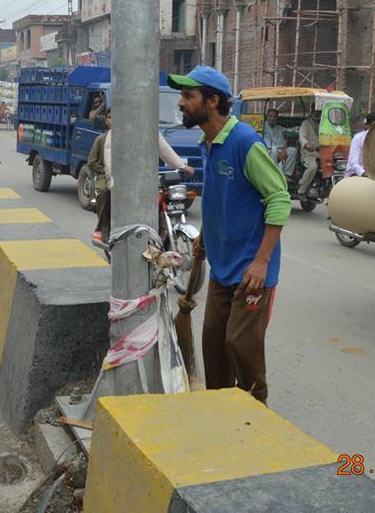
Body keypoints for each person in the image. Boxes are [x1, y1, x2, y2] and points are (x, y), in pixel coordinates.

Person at [169, 65, 290, 405]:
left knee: (241, 345)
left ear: (213, 101)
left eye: (188, 96)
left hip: (251, 272)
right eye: (182, 95)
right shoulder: (208, 143)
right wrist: (206, 238)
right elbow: (220, 197)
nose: (181, 103)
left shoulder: (244, 143)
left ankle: (255, 408)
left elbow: (279, 199)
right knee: (213, 345)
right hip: (222, 268)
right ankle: (220, 409)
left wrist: (261, 262)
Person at [97, 109, 195, 242]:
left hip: (147, 178)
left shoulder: (150, 129)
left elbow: (164, 149)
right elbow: (109, 159)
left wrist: (182, 166)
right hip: (124, 178)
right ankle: (106, 228)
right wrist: (113, 178)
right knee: (108, 194)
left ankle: (160, 233)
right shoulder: (117, 132)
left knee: (161, 200)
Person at [87, 112, 111, 241]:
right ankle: (103, 226)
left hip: (124, 177)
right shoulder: (101, 139)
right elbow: (91, 162)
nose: (114, 120)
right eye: (110, 117)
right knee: (105, 191)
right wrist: (104, 170)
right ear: (106, 121)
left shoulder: (128, 140)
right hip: (104, 176)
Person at [345, 111, 375, 178]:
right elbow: (353, 162)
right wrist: (363, 173)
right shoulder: (358, 138)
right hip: (357, 175)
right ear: (367, 126)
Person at [262, 108, 298, 177]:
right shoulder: (263, 126)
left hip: (279, 149)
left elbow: (282, 141)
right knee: (274, 149)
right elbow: (267, 142)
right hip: (268, 150)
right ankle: (274, 174)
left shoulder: (278, 128)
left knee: (293, 150)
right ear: (267, 117)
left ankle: (286, 175)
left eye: (274, 117)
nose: (272, 119)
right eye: (270, 116)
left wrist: (283, 149)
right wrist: (279, 151)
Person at [297, 107, 322, 201]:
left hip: (324, 152)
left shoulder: (325, 123)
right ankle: (301, 189)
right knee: (313, 167)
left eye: (319, 110)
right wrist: (306, 144)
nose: (317, 112)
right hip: (310, 152)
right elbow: (302, 136)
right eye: (315, 110)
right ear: (311, 110)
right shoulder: (306, 123)